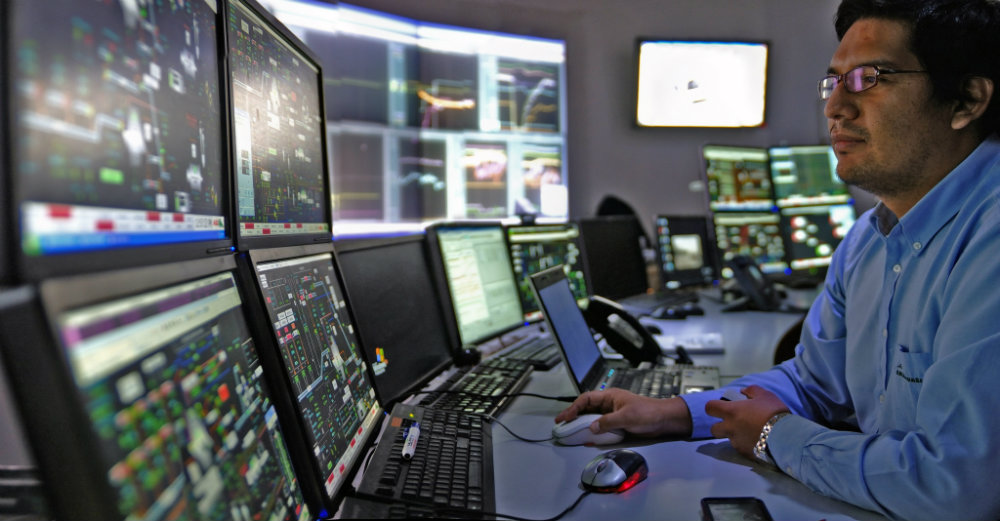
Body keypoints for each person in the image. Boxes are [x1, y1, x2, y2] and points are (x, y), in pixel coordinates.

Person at [555, 1, 1000, 519]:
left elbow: (956, 484)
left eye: (869, 78)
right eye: (832, 82)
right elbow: (815, 384)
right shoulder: (867, 241)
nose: (835, 108)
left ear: (966, 100)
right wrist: (674, 413)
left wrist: (773, 436)